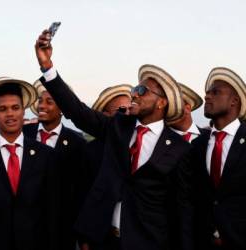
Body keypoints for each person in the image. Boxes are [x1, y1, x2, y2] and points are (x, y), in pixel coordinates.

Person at [35, 30, 191, 250]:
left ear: (161, 103)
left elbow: (182, 209)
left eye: (141, 90)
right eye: (134, 88)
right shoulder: (118, 127)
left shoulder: (180, 149)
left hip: (149, 243)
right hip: (104, 240)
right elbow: (78, 111)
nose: (134, 94)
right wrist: (48, 67)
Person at [178, 67, 246, 250]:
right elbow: (190, 200)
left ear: (234, 101)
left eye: (215, 92)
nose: (207, 97)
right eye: (207, 93)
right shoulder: (197, 145)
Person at [0, 77, 59, 250]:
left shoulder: (46, 156)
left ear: (24, 111)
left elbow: (53, 211)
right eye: (2, 109)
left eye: (15, 108)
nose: (10, 114)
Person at [22, 79, 86, 250]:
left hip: (61, 228)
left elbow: (80, 190)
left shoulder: (77, 142)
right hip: (25, 226)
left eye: (49, 102)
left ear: (63, 109)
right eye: (40, 101)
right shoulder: (23, 134)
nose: (42, 105)